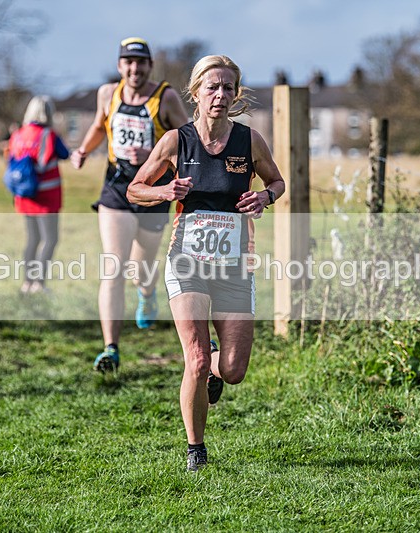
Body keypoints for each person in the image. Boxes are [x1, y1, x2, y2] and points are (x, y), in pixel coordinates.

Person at [127, 55, 286, 472]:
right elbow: (134, 188)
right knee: (194, 361)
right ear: (195, 92)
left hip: (234, 267)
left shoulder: (248, 140)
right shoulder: (176, 141)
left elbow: (277, 181)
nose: (220, 95)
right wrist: (164, 193)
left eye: (228, 88)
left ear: (236, 95)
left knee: (232, 371)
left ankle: (217, 363)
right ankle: (195, 450)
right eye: (212, 87)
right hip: (187, 262)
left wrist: (265, 197)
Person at [70, 37, 189, 371]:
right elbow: (98, 126)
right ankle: (111, 348)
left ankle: (147, 293)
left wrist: (153, 157)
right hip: (117, 186)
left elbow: (186, 140)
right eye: (128, 63)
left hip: (154, 189)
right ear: (120, 65)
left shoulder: (165, 97)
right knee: (114, 266)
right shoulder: (107, 93)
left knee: (141, 268)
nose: (134, 69)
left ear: (149, 66)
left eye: (141, 63)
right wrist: (83, 150)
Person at [6, 96, 70, 294]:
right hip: (46, 197)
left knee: (32, 239)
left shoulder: (17, 135)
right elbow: (65, 154)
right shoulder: (48, 135)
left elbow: (10, 160)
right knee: (50, 239)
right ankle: (39, 284)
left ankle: (27, 283)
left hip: (24, 195)